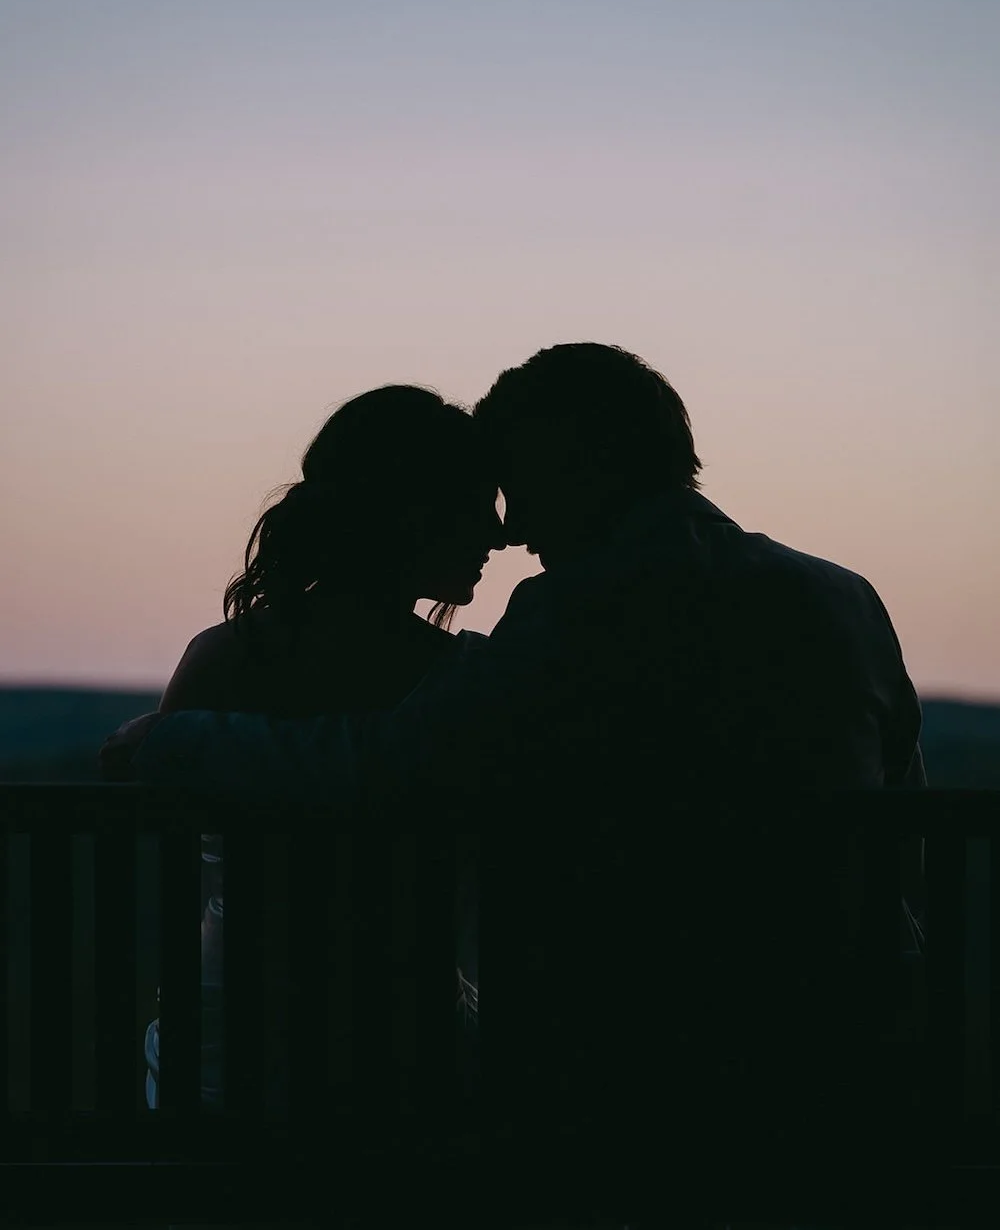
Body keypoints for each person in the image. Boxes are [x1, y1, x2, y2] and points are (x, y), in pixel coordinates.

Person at [104, 343, 924, 1198]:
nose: (512, 527)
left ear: (583, 460)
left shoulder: (577, 613)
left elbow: (391, 766)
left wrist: (173, 741)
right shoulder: (844, 596)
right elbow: (907, 818)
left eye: (518, 482)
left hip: (651, 1062)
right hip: (862, 1033)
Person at [135, 384, 504, 1114]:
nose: (497, 535)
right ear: (411, 517)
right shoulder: (468, 679)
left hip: (220, 1056)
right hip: (402, 1058)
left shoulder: (221, 659)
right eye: (474, 506)